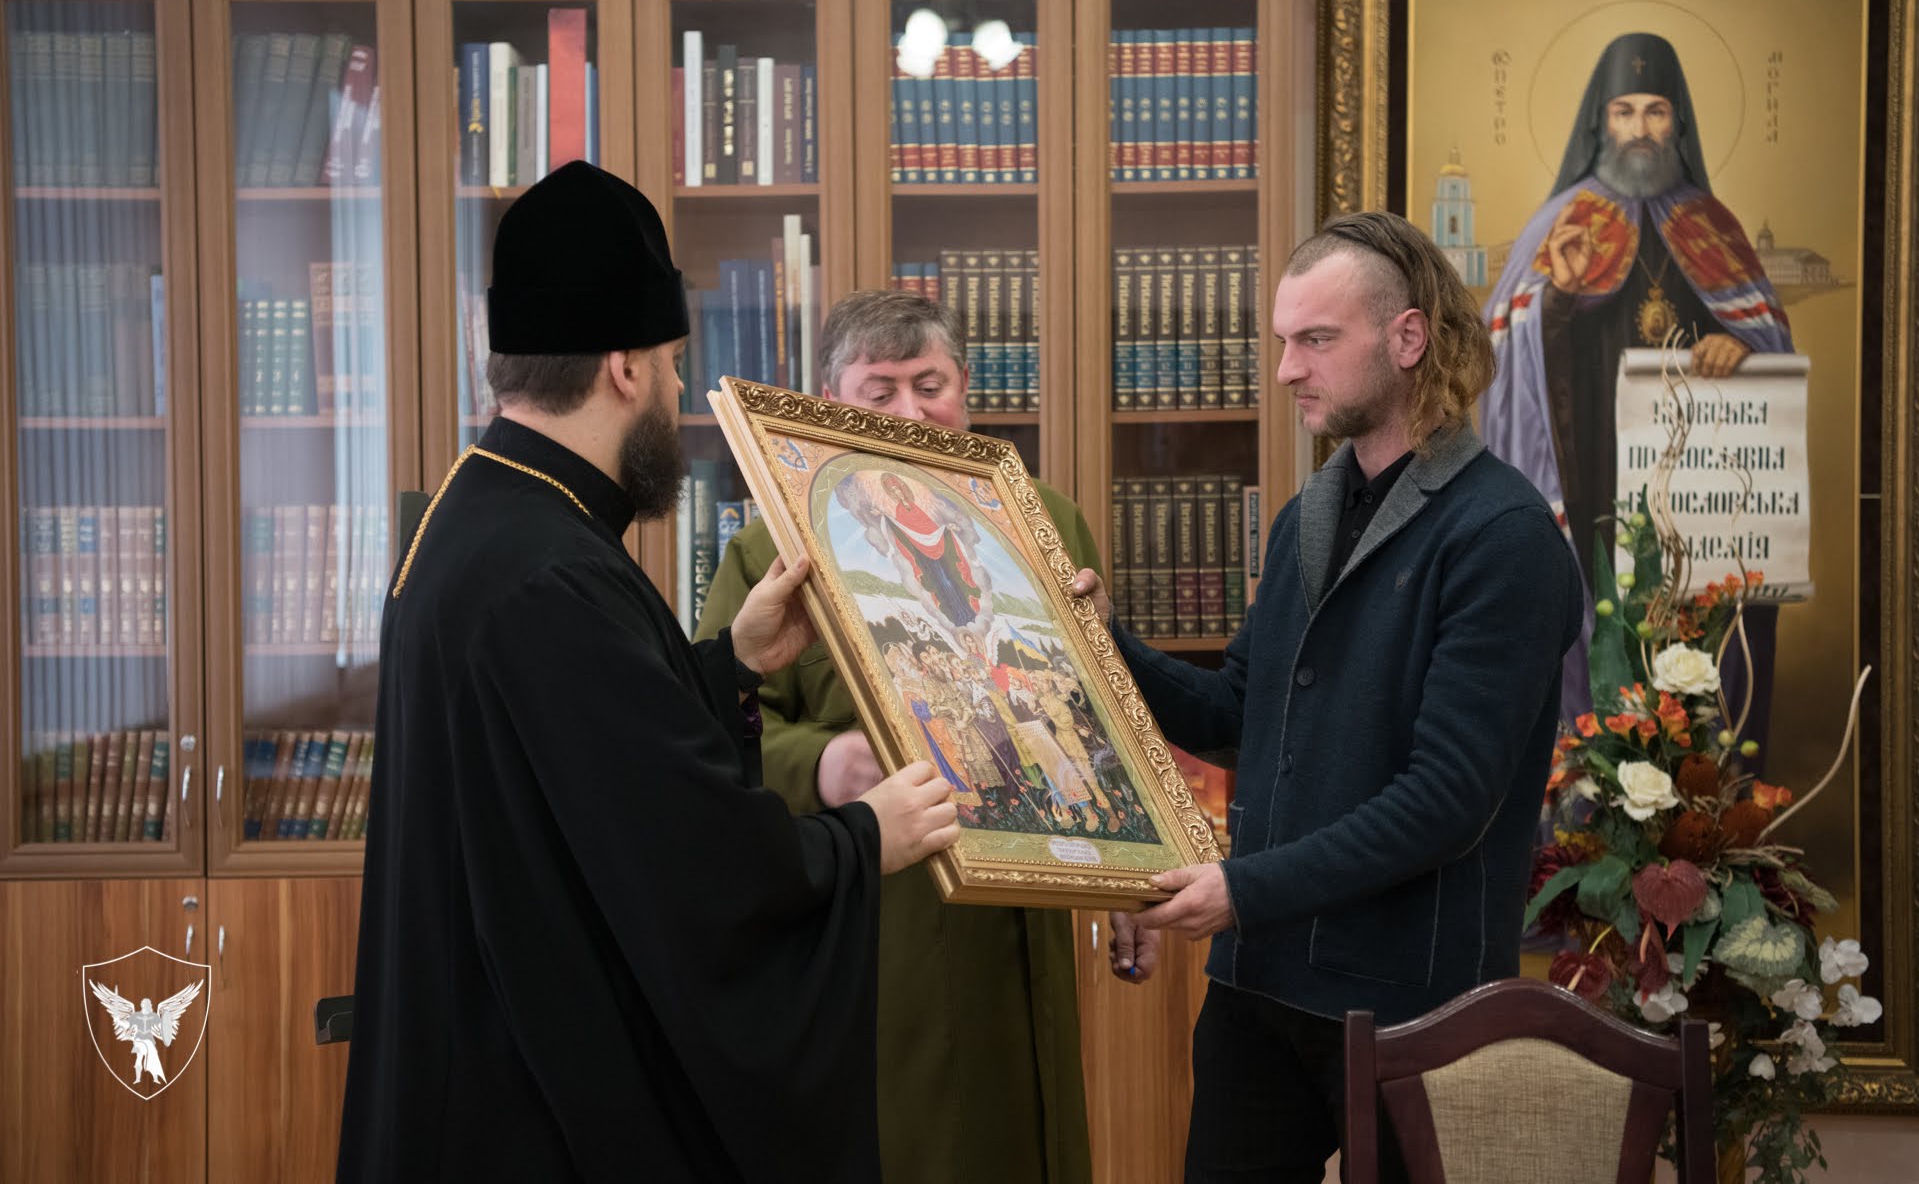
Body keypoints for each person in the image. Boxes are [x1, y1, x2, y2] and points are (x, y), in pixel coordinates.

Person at [337, 163, 959, 1183]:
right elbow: (686, 866)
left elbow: (579, 764)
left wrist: (730, 664)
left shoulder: (487, 516)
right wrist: (863, 837)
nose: (676, 390)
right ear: (624, 367)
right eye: (672, 364)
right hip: (522, 1110)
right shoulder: (549, 571)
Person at [1082, 212, 1584, 1182]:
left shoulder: (1504, 537)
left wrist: (1242, 887)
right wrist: (1104, 644)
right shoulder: (1304, 514)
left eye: (1314, 339)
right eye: (1282, 341)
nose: (1285, 370)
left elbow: (1445, 800)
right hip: (1256, 988)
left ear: (1406, 338)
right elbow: (1236, 711)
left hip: (1407, 1004)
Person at [695, 289, 1099, 1184]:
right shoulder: (770, 549)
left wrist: (1126, 887)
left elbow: (1096, 726)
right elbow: (706, 734)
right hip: (868, 914)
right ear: (826, 403)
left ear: (966, 389)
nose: (909, 413)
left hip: (1031, 909)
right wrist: (821, 762)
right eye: (878, 392)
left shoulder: (1042, 521)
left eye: (930, 384)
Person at [1480, 31, 1792, 723]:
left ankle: (1695, 786)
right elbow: (1506, 352)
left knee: (1695, 649)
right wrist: (1559, 296)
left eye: (1656, 111)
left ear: (1678, 122)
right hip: (1593, 471)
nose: (1641, 129)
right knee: (1601, 627)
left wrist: (1739, 348)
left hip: (1694, 479)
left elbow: (1768, 337)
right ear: (1601, 123)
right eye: (1624, 111)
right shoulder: (1563, 223)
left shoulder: (1711, 224)